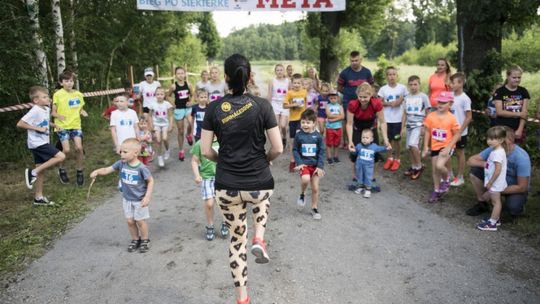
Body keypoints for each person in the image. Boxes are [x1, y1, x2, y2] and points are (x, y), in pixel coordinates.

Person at [200, 54, 283, 304]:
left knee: (236, 241)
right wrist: (266, 159)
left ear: (225, 77)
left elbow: (205, 151)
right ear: (249, 77)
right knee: (264, 197)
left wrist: (222, 161)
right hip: (258, 182)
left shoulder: (213, 108)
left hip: (227, 186)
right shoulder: (263, 106)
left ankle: (243, 300)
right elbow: (278, 148)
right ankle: (259, 236)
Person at [90, 138, 154, 253]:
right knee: (130, 221)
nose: (121, 154)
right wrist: (97, 171)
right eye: (121, 151)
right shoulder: (121, 164)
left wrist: (147, 196)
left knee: (140, 221)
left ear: (135, 153)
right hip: (127, 199)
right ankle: (135, 239)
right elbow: (107, 169)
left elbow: (150, 181)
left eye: (125, 152)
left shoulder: (141, 168)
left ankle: (145, 239)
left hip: (139, 200)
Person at [466, 126, 531, 219]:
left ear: (512, 140)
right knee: (475, 171)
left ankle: (515, 207)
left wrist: (493, 191)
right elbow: (470, 161)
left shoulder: (521, 158)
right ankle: (482, 204)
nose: (502, 143)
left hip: (513, 187)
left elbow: (522, 187)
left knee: (513, 208)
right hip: (496, 181)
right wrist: (487, 164)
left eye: (504, 140)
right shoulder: (495, 148)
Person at [17, 86, 66, 205]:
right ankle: (31, 173)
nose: (47, 98)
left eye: (47, 96)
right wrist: (37, 128)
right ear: (36, 100)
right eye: (44, 97)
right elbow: (20, 124)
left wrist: (54, 125)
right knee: (61, 156)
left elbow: (44, 121)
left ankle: (38, 198)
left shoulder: (45, 109)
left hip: (43, 141)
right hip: (37, 143)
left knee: (41, 171)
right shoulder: (34, 110)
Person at [346, 83, 391, 192]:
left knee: (374, 154)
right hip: (357, 128)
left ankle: (371, 178)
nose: (362, 99)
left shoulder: (376, 104)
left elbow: (383, 122)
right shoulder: (353, 104)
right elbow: (349, 124)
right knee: (354, 153)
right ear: (357, 95)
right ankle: (356, 177)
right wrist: (350, 141)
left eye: (365, 97)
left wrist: (386, 139)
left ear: (371, 95)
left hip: (371, 128)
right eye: (360, 97)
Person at [422, 91, 461, 203]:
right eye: (439, 101)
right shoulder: (431, 116)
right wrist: (425, 147)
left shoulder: (452, 118)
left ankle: (447, 180)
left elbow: (457, 135)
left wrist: (449, 147)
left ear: (450, 104)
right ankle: (436, 190)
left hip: (446, 146)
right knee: (435, 169)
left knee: (439, 166)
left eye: (444, 102)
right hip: (435, 145)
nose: (440, 104)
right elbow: (428, 132)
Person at [52, 70, 88, 186]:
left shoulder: (78, 94)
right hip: (62, 126)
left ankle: (79, 171)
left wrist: (83, 112)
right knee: (66, 150)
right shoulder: (57, 94)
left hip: (76, 125)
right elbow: (53, 113)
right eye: (66, 81)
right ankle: (61, 169)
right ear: (61, 82)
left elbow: (80, 108)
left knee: (79, 148)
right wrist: (59, 116)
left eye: (71, 81)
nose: (69, 83)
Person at [190, 136, 229, 240]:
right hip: (207, 178)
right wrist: (197, 175)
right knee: (209, 204)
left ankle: (225, 222)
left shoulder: (224, 140)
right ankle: (210, 225)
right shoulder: (200, 143)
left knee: (224, 202)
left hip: (223, 176)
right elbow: (194, 160)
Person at [293, 109, 325, 220]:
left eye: (308, 122)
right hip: (304, 165)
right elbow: (295, 150)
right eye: (303, 122)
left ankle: (314, 207)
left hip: (315, 166)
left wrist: (320, 166)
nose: (305, 125)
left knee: (315, 188)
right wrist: (299, 162)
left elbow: (322, 151)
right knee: (306, 179)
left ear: (314, 123)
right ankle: (302, 193)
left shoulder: (318, 137)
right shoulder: (298, 136)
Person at [338, 51, 375, 147]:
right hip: (349, 102)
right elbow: (339, 87)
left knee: (362, 122)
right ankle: (347, 142)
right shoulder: (345, 73)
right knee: (348, 122)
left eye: (356, 60)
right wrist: (348, 93)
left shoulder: (367, 72)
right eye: (352, 61)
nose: (354, 62)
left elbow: (371, 86)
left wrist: (366, 97)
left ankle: (364, 142)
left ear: (361, 60)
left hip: (364, 103)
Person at [476, 126, 508, 231]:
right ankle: (495, 218)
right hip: (496, 182)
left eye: (492, 139)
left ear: (501, 140)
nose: (489, 141)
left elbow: (497, 170)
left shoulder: (497, 154)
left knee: (496, 202)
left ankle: (492, 223)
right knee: (495, 201)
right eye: (488, 138)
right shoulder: (497, 150)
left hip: (495, 182)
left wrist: (490, 182)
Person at [378, 66, 407, 171]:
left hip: (398, 120)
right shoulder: (383, 89)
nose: (392, 76)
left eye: (394, 74)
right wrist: (389, 103)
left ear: (397, 76)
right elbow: (379, 102)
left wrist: (400, 100)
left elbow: (406, 100)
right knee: (388, 140)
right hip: (386, 120)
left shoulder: (402, 88)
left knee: (397, 141)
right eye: (389, 74)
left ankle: (397, 159)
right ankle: (389, 158)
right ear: (386, 76)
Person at [401, 75, 430, 180]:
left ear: (419, 85)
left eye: (415, 84)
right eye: (411, 85)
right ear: (408, 86)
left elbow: (428, 113)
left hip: (419, 125)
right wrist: (402, 127)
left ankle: (419, 166)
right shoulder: (407, 97)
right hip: (409, 125)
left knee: (413, 144)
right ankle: (413, 167)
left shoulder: (423, 97)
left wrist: (425, 126)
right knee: (409, 147)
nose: (413, 87)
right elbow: (404, 113)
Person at [493, 65, 530, 143]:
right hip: (502, 127)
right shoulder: (500, 91)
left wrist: (520, 129)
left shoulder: (523, 91)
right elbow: (500, 112)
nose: (517, 80)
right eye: (514, 77)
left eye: (519, 77)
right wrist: (519, 114)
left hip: (517, 128)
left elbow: (525, 112)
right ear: (507, 76)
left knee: (515, 152)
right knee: (501, 152)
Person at [448, 72, 472, 187]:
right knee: (446, 152)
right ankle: (449, 174)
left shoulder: (465, 99)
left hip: (460, 133)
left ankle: (460, 177)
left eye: (453, 82)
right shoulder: (449, 95)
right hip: (448, 131)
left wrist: (460, 132)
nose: (450, 84)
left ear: (461, 83)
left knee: (459, 153)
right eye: (450, 82)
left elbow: (469, 117)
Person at [168, 66, 194, 161]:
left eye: (182, 73)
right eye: (178, 73)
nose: (180, 75)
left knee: (191, 123)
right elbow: (168, 96)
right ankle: (181, 150)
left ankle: (188, 135)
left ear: (185, 74)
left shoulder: (189, 84)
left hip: (187, 108)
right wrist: (172, 103)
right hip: (178, 109)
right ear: (175, 75)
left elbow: (193, 95)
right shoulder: (173, 86)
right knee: (180, 131)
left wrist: (191, 102)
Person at [353, 129, 389, 198]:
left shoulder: (374, 146)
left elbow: (381, 148)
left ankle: (368, 189)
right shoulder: (359, 146)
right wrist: (352, 151)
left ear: (371, 139)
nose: (364, 139)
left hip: (368, 166)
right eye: (363, 137)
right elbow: (355, 152)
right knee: (360, 175)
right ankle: (360, 186)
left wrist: (386, 148)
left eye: (367, 138)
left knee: (368, 176)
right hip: (360, 165)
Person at [284, 73, 308, 172]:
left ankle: (302, 160)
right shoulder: (289, 93)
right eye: (295, 83)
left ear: (302, 84)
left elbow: (306, 103)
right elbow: (284, 106)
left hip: (302, 119)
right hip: (293, 119)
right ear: (292, 83)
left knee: (300, 137)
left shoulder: (304, 92)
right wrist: (294, 104)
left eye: (299, 83)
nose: (297, 85)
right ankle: (292, 160)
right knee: (293, 141)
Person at [149, 87, 173, 167]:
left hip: (165, 124)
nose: (159, 96)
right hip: (156, 124)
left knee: (165, 138)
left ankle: (167, 150)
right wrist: (151, 125)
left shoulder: (167, 104)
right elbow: (149, 116)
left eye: (161, 94)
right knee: (158, 140)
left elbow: (170, 116)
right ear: (155, 95)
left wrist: (171, 125)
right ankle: (159, 157)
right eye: (158, 94)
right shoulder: (152, 105)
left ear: (164, 95)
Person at [267, 64, 290, 147]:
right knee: (276, 124)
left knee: (283, 125)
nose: (279, 72)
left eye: (281, 70)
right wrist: (268, 105)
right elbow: (269, 94)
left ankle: (284, 137)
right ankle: (278, 143)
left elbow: (290, 94)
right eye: (278, 70)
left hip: (284, 104)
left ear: (284, 71)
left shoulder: (288, 81)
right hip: (275, 104)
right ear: (275, 72)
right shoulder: (272, 81)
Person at [325, 89, 344, 164]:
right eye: (331, 98)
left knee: (337, 143)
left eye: (334, 98)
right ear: (329, 98)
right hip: (330, 128)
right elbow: (328, 115)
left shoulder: (340, 106)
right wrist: (338, 116)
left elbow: (342, 116)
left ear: (338, 98)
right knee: (329, 143)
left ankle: (336, 156)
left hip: (338, 127)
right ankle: (329, 157)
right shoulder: (327, 106)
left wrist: (332, 120)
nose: (333, 100)